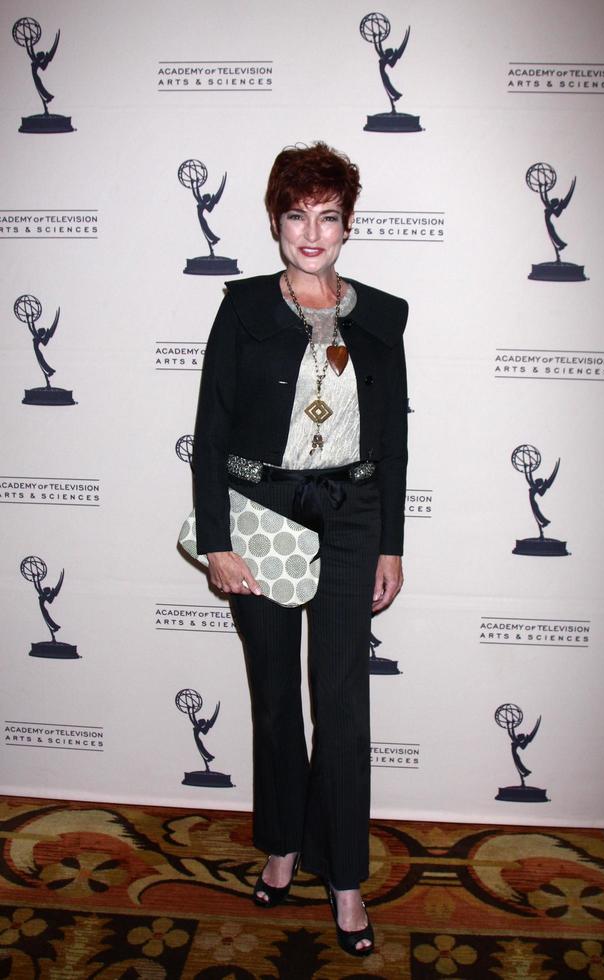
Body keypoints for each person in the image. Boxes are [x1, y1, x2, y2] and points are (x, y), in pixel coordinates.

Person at [193, 142, 408, 956]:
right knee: (276, 695)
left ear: (347, 225)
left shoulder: (382, 317)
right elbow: (210, 432)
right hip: (262, 515)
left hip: (353, 512)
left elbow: (392, 440)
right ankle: (283, 845)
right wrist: (218, 540)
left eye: (327, 216)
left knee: (344, 706)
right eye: (296, 215)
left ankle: (345, 876)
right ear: (276, 221)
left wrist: (389, 542)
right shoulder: (244, 308)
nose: (310, 232)